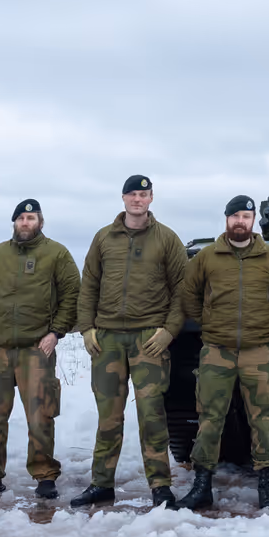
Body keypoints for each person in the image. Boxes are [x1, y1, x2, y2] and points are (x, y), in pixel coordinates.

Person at [70, 175, 188, 508]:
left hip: (148, 338)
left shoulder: (166, 239)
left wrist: (169, 330)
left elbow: (183, 289)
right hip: (107, 338)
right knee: (109, 416)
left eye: (144, 194)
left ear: (151, 199)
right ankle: (101, 483)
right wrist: (87, 328)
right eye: (133, 194)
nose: (138, 199)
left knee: (152, 414)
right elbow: (89, 283)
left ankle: (160, 485)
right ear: (123, 198)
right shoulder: (104, 238)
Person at [174, 195, 269, 511]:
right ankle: (202, 485)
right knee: (209, 418)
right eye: (235, 216)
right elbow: (189, 295)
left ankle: (266, 485)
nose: (241, 221)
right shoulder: (207, 257)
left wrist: (264, 325)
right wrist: (209, 324)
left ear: (253, 220)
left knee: (263, 420)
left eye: (246, 216)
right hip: (217, 350)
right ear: (227, 219)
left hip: (258, 351)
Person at [0, 199, 80, 499]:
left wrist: (56, 332)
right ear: (14, 222)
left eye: (31, 217)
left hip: (36, 349)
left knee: (41, 416)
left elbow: (72, 294)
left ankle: (44, 476)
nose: (26, 223)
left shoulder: (56, 253)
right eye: (21, 218)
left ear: (41, 221)